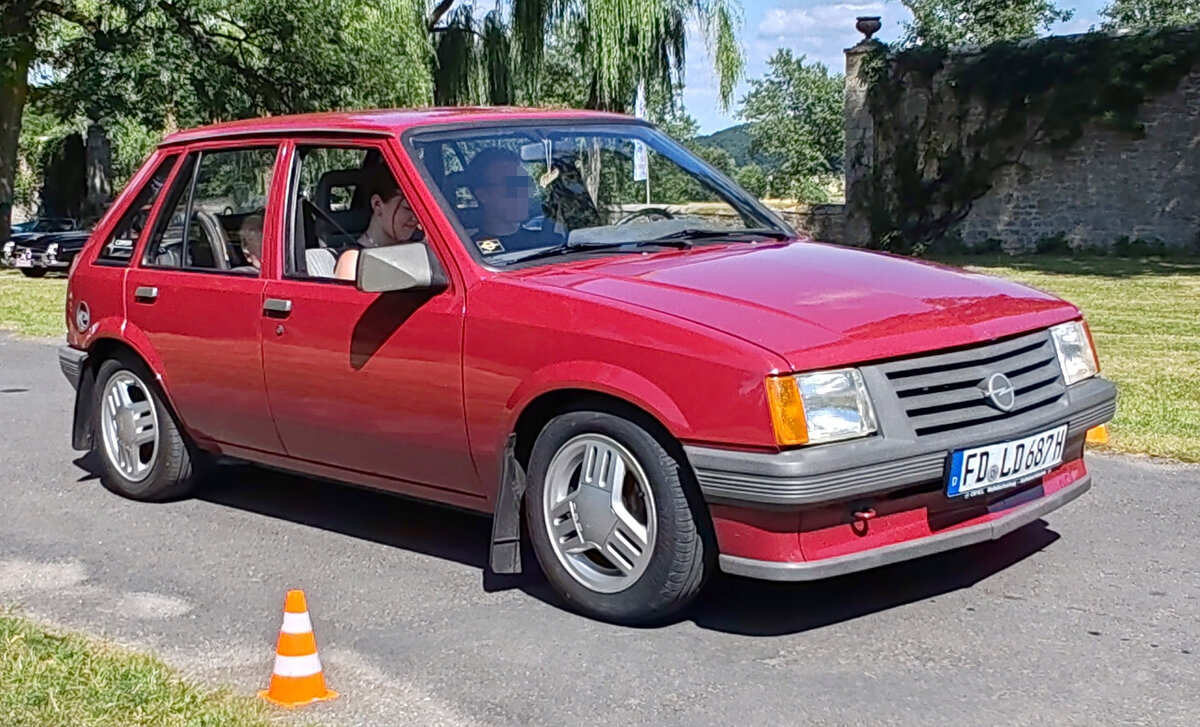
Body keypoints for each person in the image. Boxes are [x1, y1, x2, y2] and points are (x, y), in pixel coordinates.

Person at [464, 148, 563, 254]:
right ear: (483, 195)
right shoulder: (470, 254)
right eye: (510, 185)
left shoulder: (550, 244)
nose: (521, 193)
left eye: (524, 183)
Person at [333, 164, 421, 281]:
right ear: (377, 204)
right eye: (407, 208)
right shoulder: (353, 262)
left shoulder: (421, 246)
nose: (415, 218)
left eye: (419, 211)